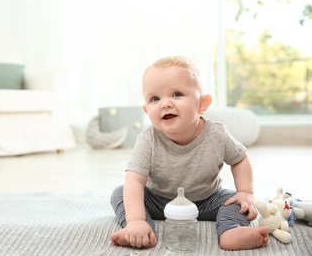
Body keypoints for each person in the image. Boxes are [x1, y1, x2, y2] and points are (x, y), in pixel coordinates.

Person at [110, 56, 269, 251]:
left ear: (202, 103)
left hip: (207, 201)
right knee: (121, 193)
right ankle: (141, 230)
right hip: (159, 201)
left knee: (235, 201)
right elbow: (134, 180)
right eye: (155, 99)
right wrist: (136, 220)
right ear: (146, 109)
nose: (165, 104)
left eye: (177, 94)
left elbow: (240, 159)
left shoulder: (217, 134)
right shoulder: (147, 140)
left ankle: (231, 231)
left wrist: (246, 192)